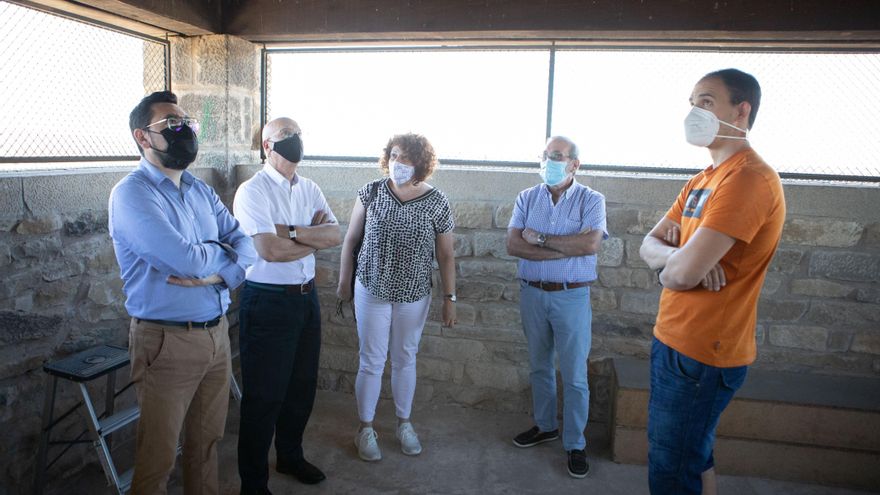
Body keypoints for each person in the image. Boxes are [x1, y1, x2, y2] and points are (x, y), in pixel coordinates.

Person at [639, 68, 785, 495]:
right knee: (692, 453)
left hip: (704, 352)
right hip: (674, 339)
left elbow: (681, 273)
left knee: (671, 467)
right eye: (691, 104)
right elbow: (649, 246)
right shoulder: (702, 180)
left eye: (705, 102)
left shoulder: (748, 180)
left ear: (741, 112)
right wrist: (679, 260)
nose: (693, 113)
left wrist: (678, 266)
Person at [108, 91, 256, 495]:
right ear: (143, 137)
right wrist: (223, 257)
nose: (186, 130)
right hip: (166, 342)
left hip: (215, 335)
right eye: (172, 125)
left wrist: (214, 275)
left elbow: (248, 246)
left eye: (188, 123)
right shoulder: (132, 194)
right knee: (157, 461)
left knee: (206, 447)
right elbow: (184, 260)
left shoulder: (200, 190)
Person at [232, 117, 341, 495]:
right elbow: (269, 250)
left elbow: (335, 234)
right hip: (268, 302)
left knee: (301, 387)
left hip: (306, 298)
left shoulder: (309, 188)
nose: (295, 140)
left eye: (298, 134)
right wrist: (312, 239)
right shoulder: (253, 191)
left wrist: (291, 231)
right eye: (286, 135)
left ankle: (290, 455)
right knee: (264, 396)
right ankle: (254, 483)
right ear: (267, 146)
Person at [336, 133, 456, 462]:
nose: (397, 163)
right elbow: (350, 239)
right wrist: (344, 281)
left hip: (413, 293)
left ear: (421, 163)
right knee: (372, 360)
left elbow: (446, 255)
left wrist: (450, 297)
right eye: (394, 155)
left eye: (405, 158)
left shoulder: (437, 201)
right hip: (371, 286)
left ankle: (404, 423)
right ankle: (366, 428)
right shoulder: (371, 192)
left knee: (405, 358)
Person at [506, 136, 607, 479]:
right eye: (546, 155)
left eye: (557, 156)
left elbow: (591, 243)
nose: (549, 161)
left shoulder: (591, 200)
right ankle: (545, 425)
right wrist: (567, 248)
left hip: (572, 296)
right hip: (532, 293)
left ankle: (575, 443)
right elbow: (514, 245)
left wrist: (543, 240)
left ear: (574, 164)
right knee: (539, 366)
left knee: (575, 375)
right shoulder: (527, 197)